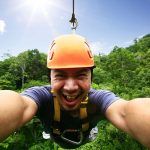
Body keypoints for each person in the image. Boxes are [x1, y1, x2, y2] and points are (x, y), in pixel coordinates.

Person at [0, 34, 150, 149]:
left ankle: (91, 132)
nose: (70, 87)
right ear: (50, 79)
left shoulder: (99, 99)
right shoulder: (40, 96)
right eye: (60, 75)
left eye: (81, 75)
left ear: (91, 78)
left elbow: (126, 111)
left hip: (84, 136)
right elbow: (18, 104)